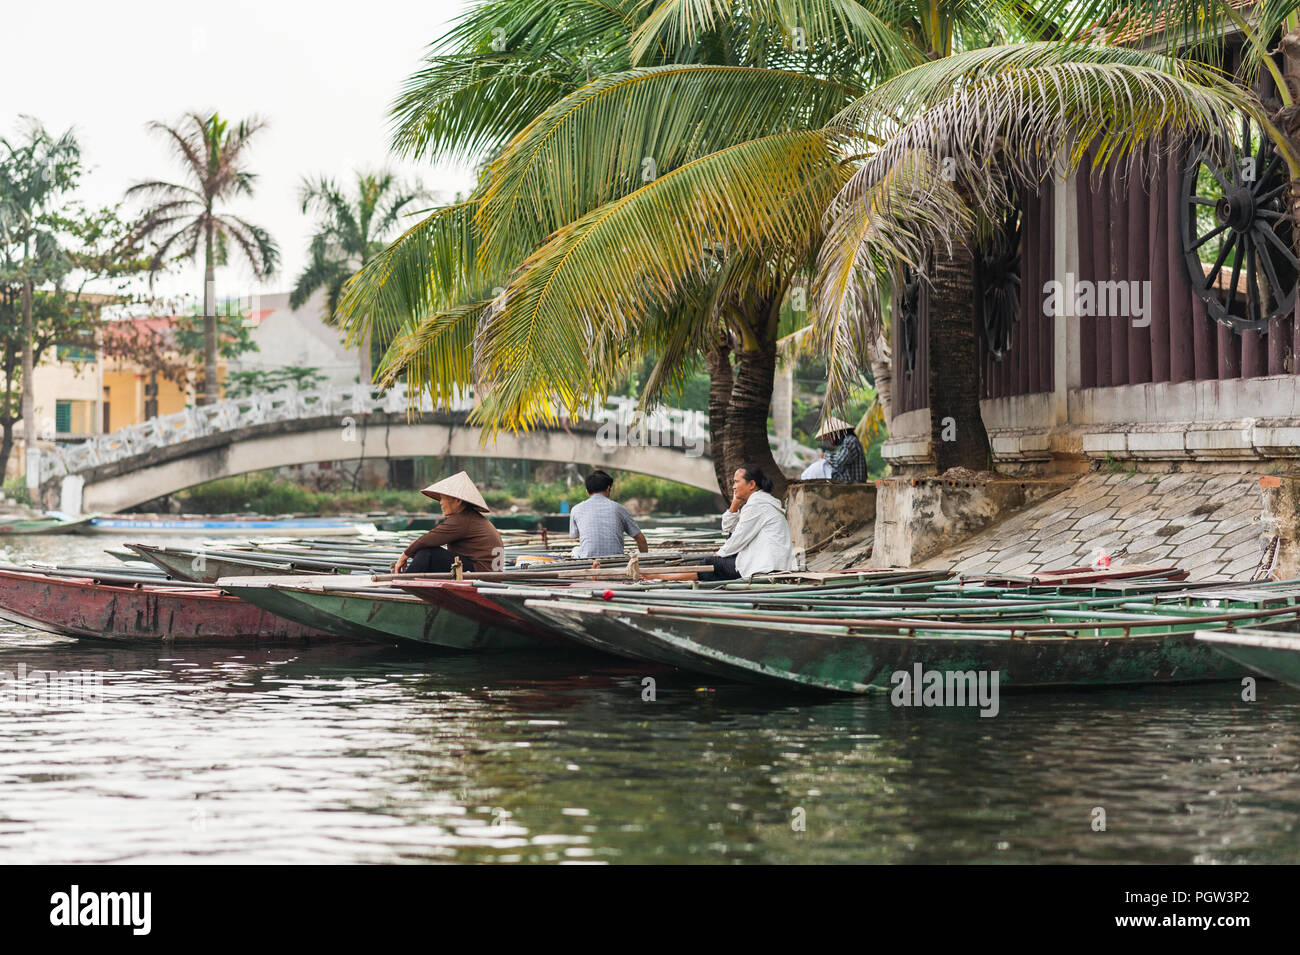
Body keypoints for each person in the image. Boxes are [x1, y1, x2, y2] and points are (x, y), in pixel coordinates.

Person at [392, 471, 504, 574]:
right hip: (485, 572)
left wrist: (404, 555)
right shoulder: (471, 518)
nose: (440, 503)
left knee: (427, 553)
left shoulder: (463, 520)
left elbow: (428, 539)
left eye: (443, 498)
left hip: (481, 574)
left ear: (458, 501)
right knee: (423, 552)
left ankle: (401, 585)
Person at [699, 465, 796, 581]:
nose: (733, 487)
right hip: (769, 562)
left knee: (709, 563)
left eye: (736, 482)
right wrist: (735, 503)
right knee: (715, 562)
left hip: (766, 567)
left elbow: (739, 537)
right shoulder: (759, 501)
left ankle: (671, 578)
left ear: (751, 485)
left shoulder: (757, 505)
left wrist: (719, 554)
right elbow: (728, 528)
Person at [569, 470, 649, 559]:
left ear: (587, 491)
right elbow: (640, 539)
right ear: (608, 488)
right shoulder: (619, 508)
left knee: (575, 550)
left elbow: (574, 536)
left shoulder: (576, 509)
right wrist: (645, 560)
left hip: (588, 561)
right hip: (616, 561)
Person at [819, 417, 867, 483]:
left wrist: (824, 456)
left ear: (836, 433)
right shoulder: (847, 441)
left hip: (854, 482)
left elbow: (838, 461)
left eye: (829, 437)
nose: (829, 441)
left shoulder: (850, 441)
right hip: (849, 481)